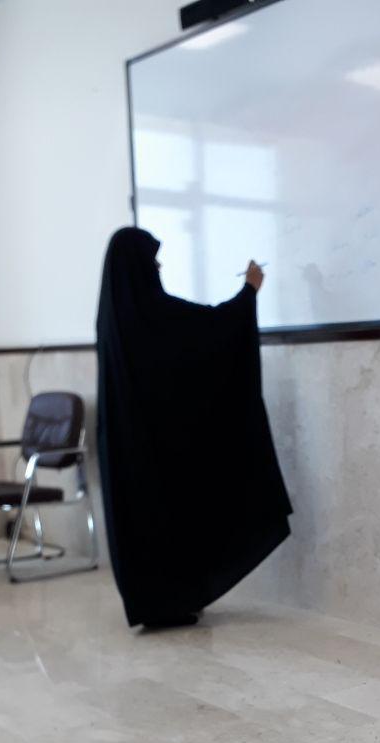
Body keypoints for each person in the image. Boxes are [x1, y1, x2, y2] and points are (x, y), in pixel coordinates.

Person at [95, 227, 292, 629]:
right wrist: (249, 291)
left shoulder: (113, 317)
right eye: (152, 261)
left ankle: (154, 602)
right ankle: (171, 600)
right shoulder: (151, 313)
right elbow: (212, 330)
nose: (158, 267)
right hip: (154, 453)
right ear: (137, 266)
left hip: (128, 453)